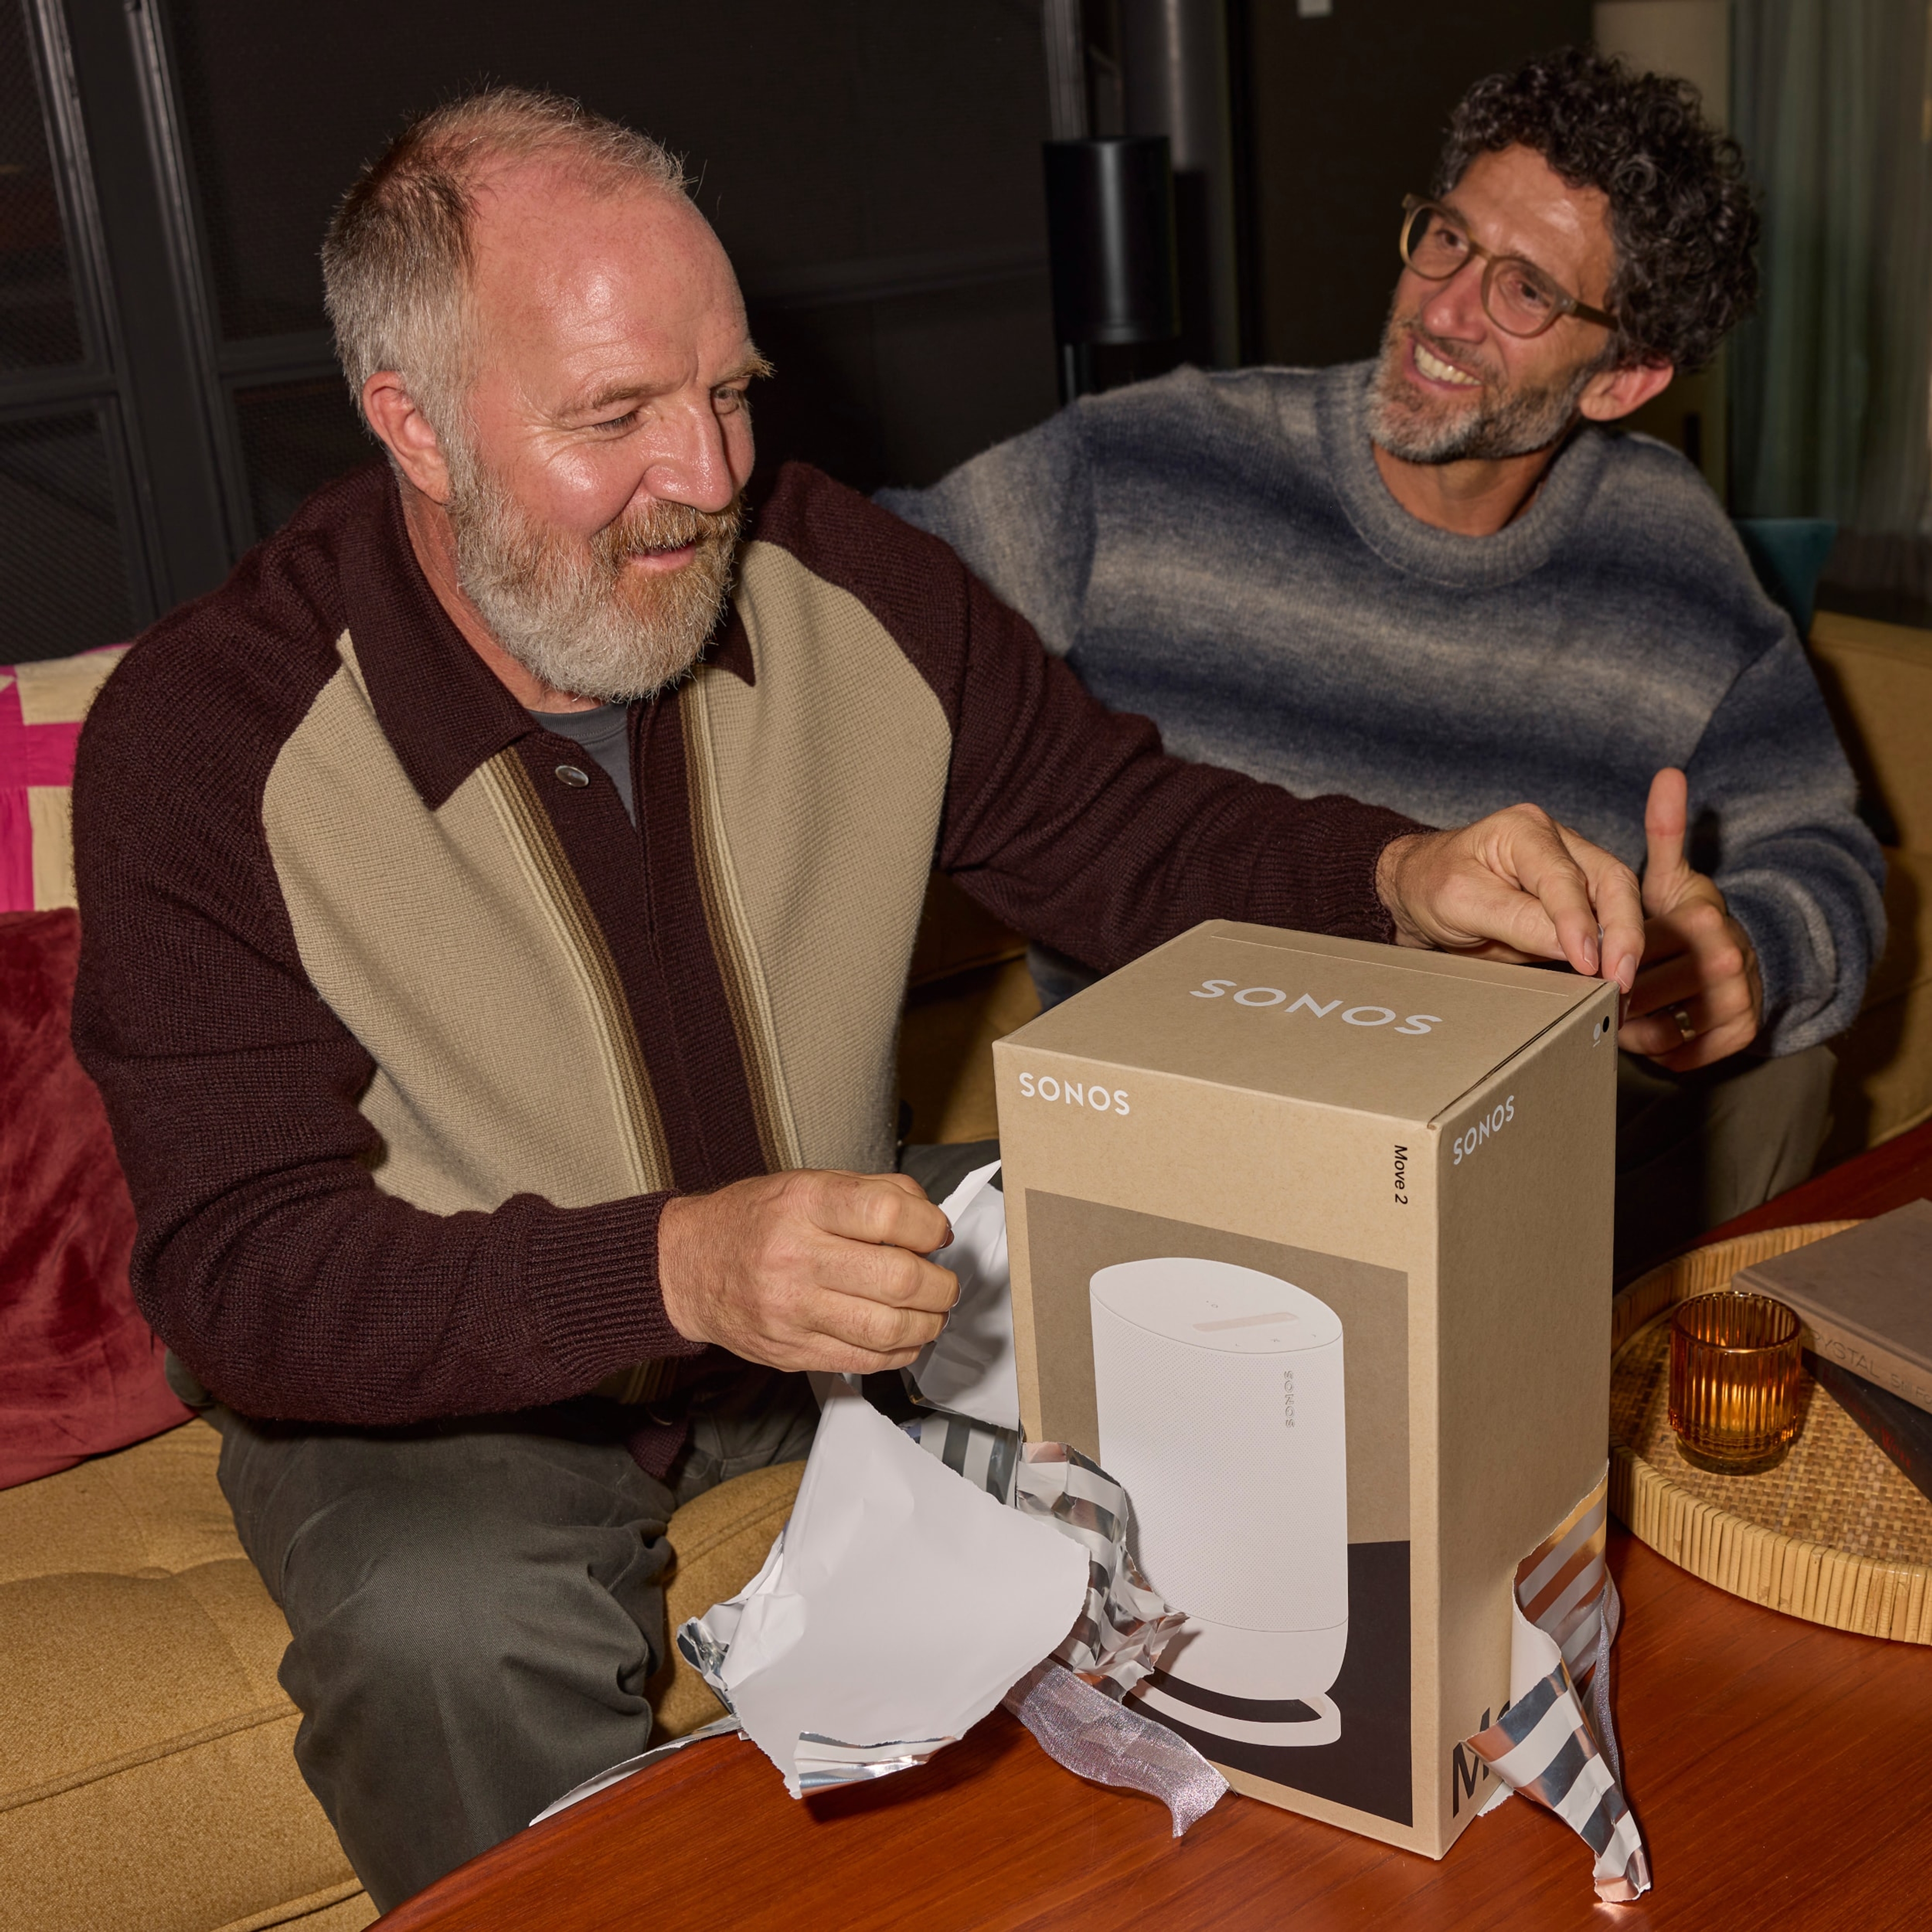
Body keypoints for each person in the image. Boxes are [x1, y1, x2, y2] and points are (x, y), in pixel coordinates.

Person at [71, 89, 1642, 1910]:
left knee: (1264, 1304)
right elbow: (246, 1275)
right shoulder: (206, 737)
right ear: (412, 424)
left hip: (835, 1271)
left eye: (729, 391)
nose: (716, 471)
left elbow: (1117, 828)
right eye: (618, 418)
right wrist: (671, 1264)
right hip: (440, 1386)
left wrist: (1395, 877)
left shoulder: (838, 579)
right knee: (444, 1631)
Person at [881, 49, 1887, 1277]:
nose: (1447, 309)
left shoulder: (1671, 554)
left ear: (1623, 376)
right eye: (1447, 241)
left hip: (1494, 1184)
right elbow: (867, 611)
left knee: (1792, 1084)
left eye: (1524, 291)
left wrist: (1742, 960)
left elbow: (1828, 853)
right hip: (1173, 1166)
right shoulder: (1150, 463)